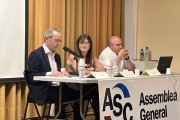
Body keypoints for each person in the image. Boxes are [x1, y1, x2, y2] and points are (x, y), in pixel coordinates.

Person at [28, 28, 69, 119]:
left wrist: (61, 73)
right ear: (47, 39)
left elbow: (56, 74)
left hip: (56, 86)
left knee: (76, 93)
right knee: (61, 96)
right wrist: (50, 73)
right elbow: (32, 75)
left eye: (60, 41)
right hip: (42, 88)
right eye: (56, 40)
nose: (58, 43)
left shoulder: (57, 56)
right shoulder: (36, 54)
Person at [66, 34, 105, 120]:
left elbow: (102, 69)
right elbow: (80, 71)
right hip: (72, 85)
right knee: (90, 90)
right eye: (81, 43)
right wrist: (93, 70)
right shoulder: (74, 56)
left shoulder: (91, 56)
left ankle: (99, 117)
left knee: (98, 89)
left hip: (85, 84)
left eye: (86, 43)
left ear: (90, 45)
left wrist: (93, 68)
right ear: (78, 44)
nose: (83, 45)